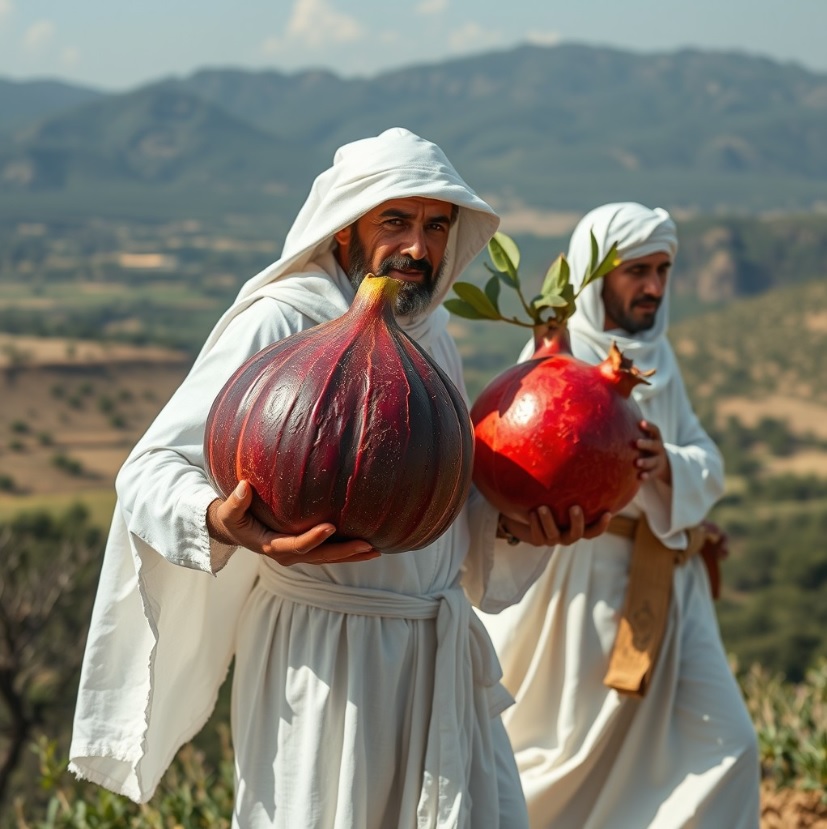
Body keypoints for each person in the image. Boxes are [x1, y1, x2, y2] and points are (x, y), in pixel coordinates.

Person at [68, 128, 605, 829]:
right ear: (344, 229)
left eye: (435, 225)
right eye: (395, 221)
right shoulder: (284, 319)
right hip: (320, 654)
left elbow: (440, 501)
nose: (418, 246)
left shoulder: (432, 334)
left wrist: (518, 521)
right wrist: (218, 517)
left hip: (435, 648)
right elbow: (150, 469)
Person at [477, 202, 761, 829]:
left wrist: (666, 467)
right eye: (638, 270)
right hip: (579, 582)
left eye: (663, 270)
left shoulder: (657, 353)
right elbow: (522, 455)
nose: (654, 287)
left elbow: (704, 459)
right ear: (597, 274)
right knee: (561, 761)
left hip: (669, 583)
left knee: (730, 748)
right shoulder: (559, 358)